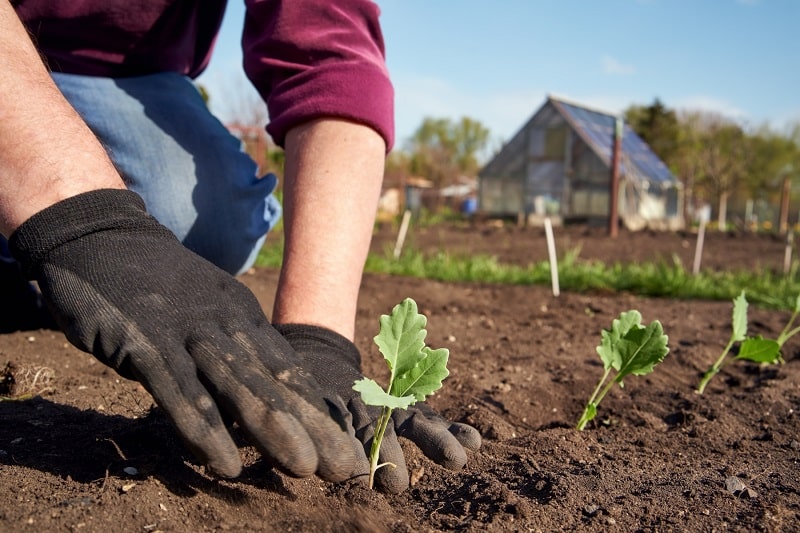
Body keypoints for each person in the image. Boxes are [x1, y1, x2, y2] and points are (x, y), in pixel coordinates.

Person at [0, 1, 480, 494]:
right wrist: (87, 223)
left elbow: (330, 53)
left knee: (210, 223)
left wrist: (318, 338)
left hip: (121, 72)